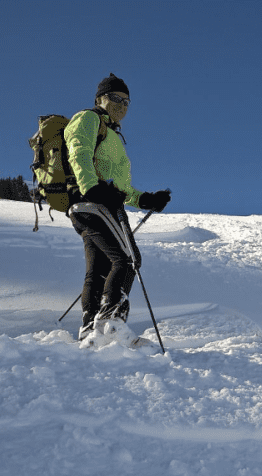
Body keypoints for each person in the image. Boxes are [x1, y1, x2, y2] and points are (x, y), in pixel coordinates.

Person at [64, 73, 171, 348]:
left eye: (126, 101)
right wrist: (92, 187)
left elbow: (120, 188)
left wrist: (146, 199)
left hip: (94, 204)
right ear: (100, 98)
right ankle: (111, 321)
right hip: (93, 203)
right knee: (128, 259)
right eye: (115, 98)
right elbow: (78, 151)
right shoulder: (88, 119)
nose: (121, 105)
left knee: (99, 268)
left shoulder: (112, 135)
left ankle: (90, 331)